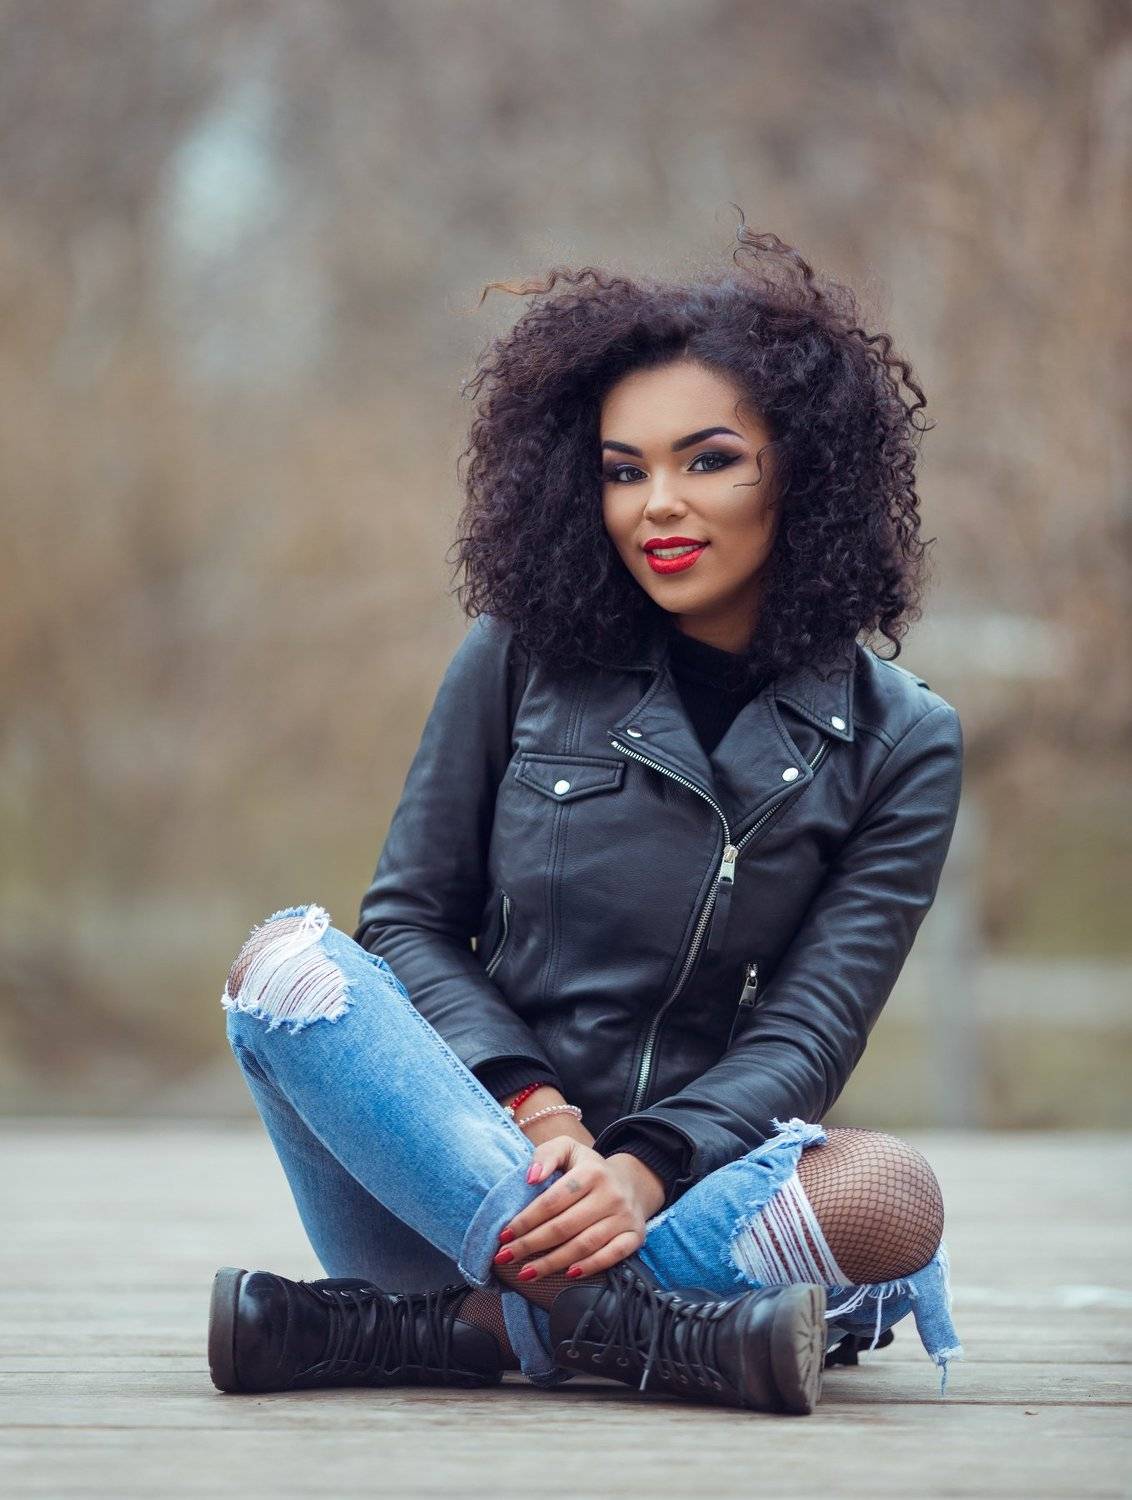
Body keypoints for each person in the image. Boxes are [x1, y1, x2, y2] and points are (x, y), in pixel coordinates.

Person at [208, 224, 966, 1413]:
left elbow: (811, 1036)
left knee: (888, 1197)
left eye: (708, 460)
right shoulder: (516, 657)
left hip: (683, 1191)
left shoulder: (903, 740)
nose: (656, 505)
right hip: (454, 1173)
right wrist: (539, 1113)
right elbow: (408, 923)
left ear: (804, 470)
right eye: (622, 469)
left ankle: (439, 1337)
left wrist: (644, 1168)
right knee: (287, 966)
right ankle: (647, 1335)